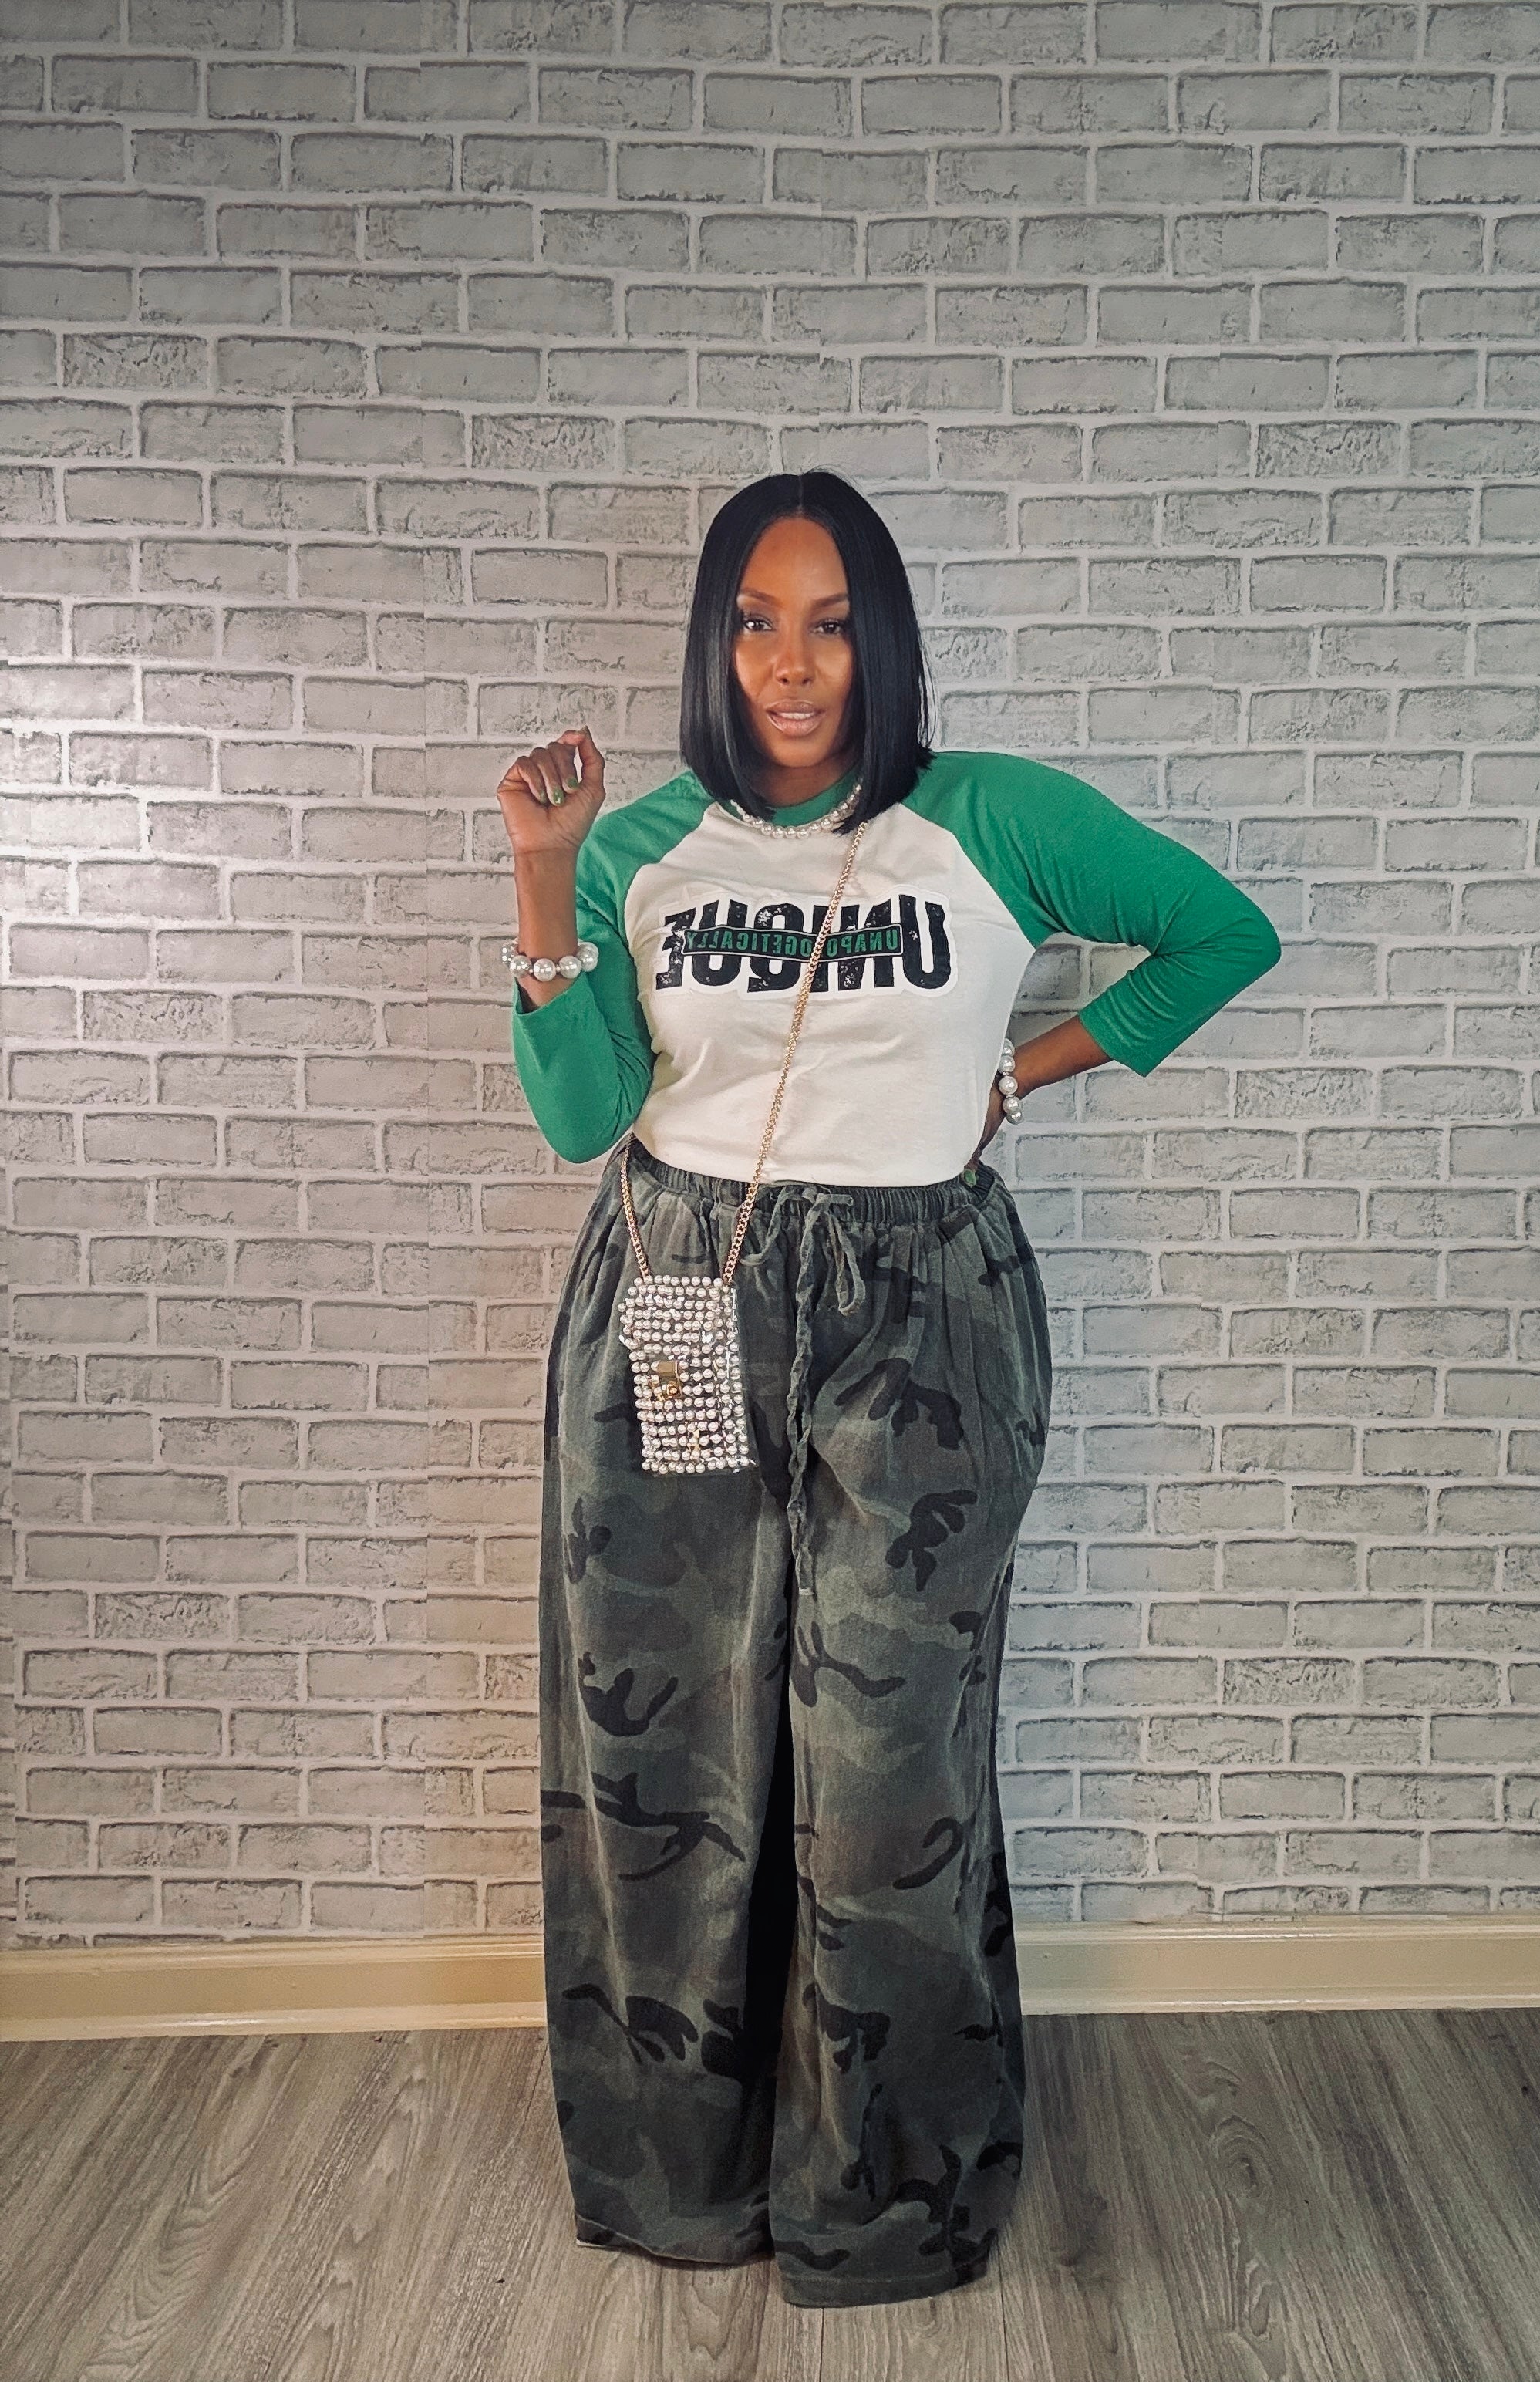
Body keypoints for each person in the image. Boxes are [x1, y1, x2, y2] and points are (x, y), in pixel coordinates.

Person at [495, 469, 1280, 2309]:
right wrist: (543, 869)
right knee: (672, 1743)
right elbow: (582, 1114)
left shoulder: (991, 816)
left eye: (833, 623)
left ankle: (885, 2194)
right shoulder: (643, 844)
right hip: (680, 1291)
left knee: (888, 1765)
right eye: (757, 622)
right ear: (714, 642)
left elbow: (1222, 934)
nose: (792, 664)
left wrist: (1029, 1069)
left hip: (919, 1313)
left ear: (886, 640)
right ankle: (681, 2174)